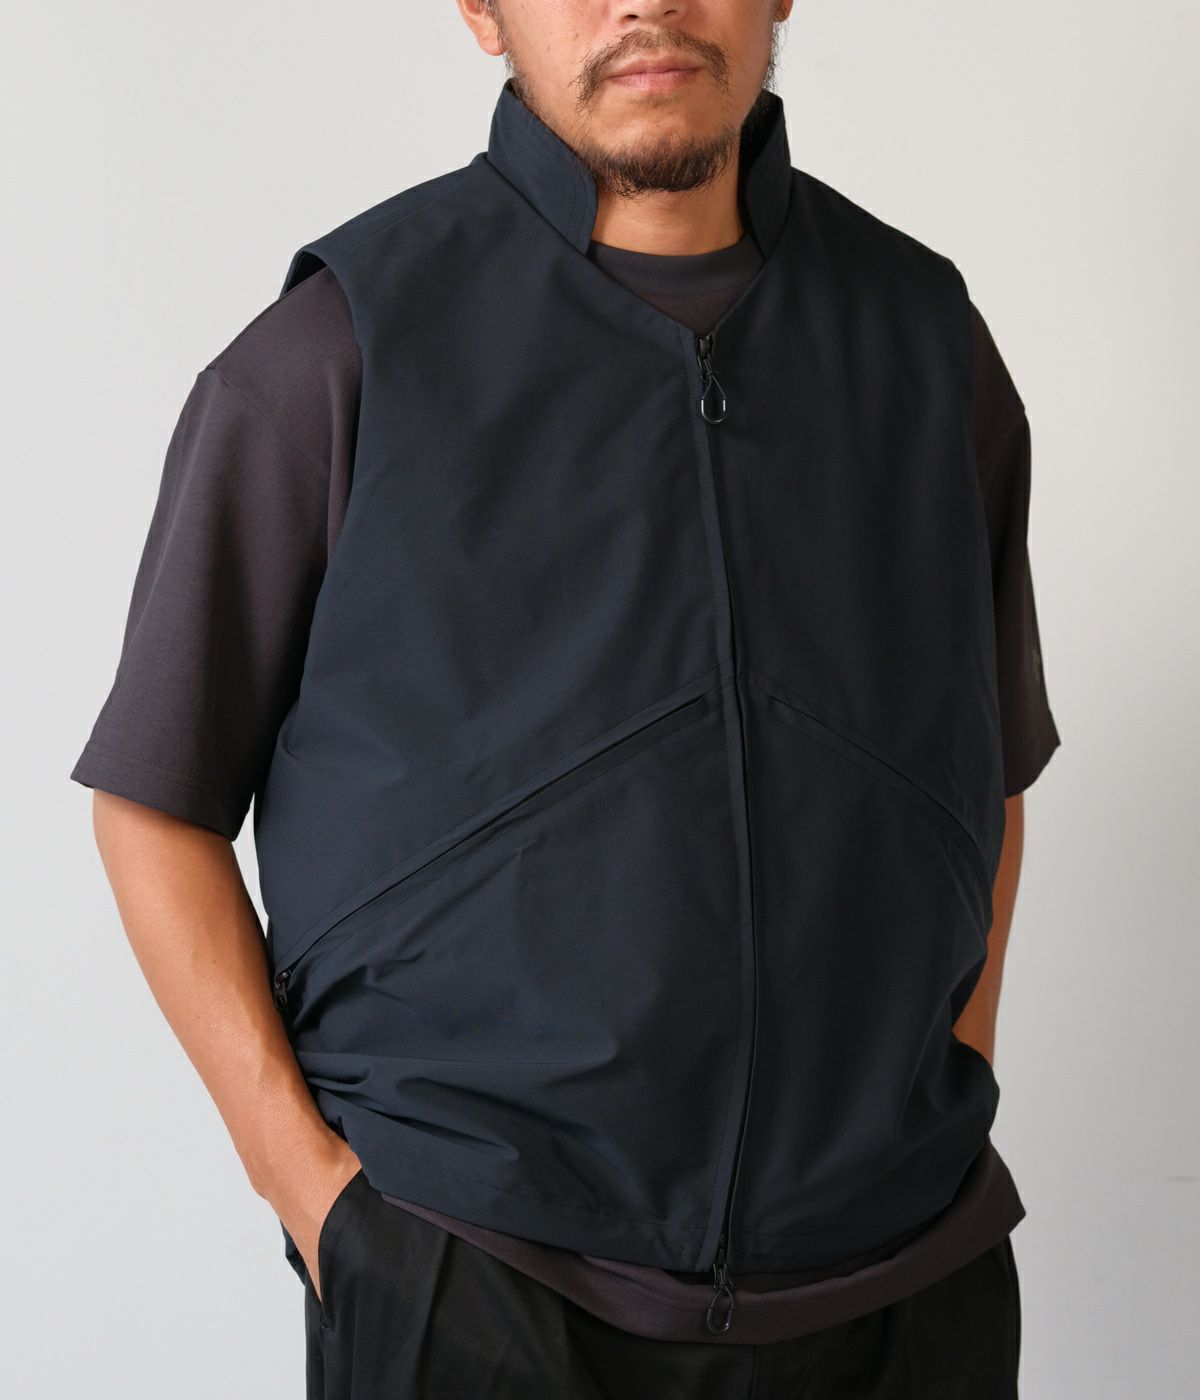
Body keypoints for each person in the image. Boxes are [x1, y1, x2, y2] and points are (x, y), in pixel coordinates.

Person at [70, 2, 1060, 1395]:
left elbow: (986, 771)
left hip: (902, 1291)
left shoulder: (926, 345)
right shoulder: (335, 352)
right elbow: (153, 805)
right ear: (482, 10)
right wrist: (328, 1210)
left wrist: (941, 1100)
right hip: (480, 1283)